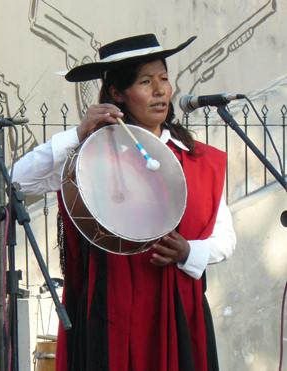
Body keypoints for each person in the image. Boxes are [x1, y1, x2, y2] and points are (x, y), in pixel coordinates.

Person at [12, 34, 236, 371]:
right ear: (117, 94)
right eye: (146, 82)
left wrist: (189, 252)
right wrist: (78, 134)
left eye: (163, 79)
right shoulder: (90, 156)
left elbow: (225, 238)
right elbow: (17, 178)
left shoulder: (197, 161)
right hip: (109, 311)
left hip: (176, 309)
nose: (160, 90)